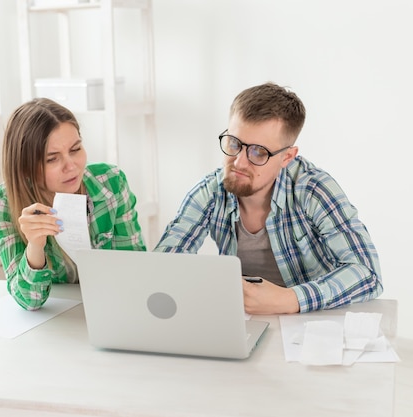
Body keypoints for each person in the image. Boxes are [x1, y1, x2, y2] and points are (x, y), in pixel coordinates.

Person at [154, 82, 382, 315]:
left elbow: (368, 273)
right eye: (234, 143)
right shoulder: (210, 191)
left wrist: (290, 299)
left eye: (259, 152)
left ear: (287, 157)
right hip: (244, 322)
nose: (239, 162)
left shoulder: (313, 189)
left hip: (314, 323)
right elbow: (163, 267)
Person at [0, 98, 146, 310]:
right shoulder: (4, 204)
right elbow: (29, 301)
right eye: (52, 159)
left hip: (113, 307)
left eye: (75, 149)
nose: (71, 166)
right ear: (25, 168)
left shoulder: (112, 182)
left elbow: (135, 271)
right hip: (56, 319)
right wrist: (36, 245)